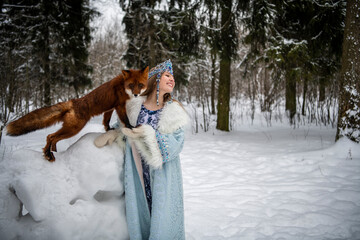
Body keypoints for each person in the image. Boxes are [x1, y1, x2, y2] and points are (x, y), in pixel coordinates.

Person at [95, 59, 189, 240]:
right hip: (138, 172)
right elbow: (125, 128)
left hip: (163, 174)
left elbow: (177, 144)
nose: (172, 79)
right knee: (141, 214)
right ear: (155, 79)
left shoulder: (174, 111)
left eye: (173, 77)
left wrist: (149, 134)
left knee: (162, 218)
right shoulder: (134, 107)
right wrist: (115, 134)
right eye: (168, 75)